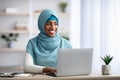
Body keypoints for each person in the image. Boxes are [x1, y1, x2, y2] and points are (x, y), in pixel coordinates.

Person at [24, 9, 72, 75]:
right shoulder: (32, 43)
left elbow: (71, 67)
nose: (53, 27)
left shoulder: (66, 44)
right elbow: (27, 67)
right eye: (48, 24)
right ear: (41, 24)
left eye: (55, 24)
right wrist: (46, 69)